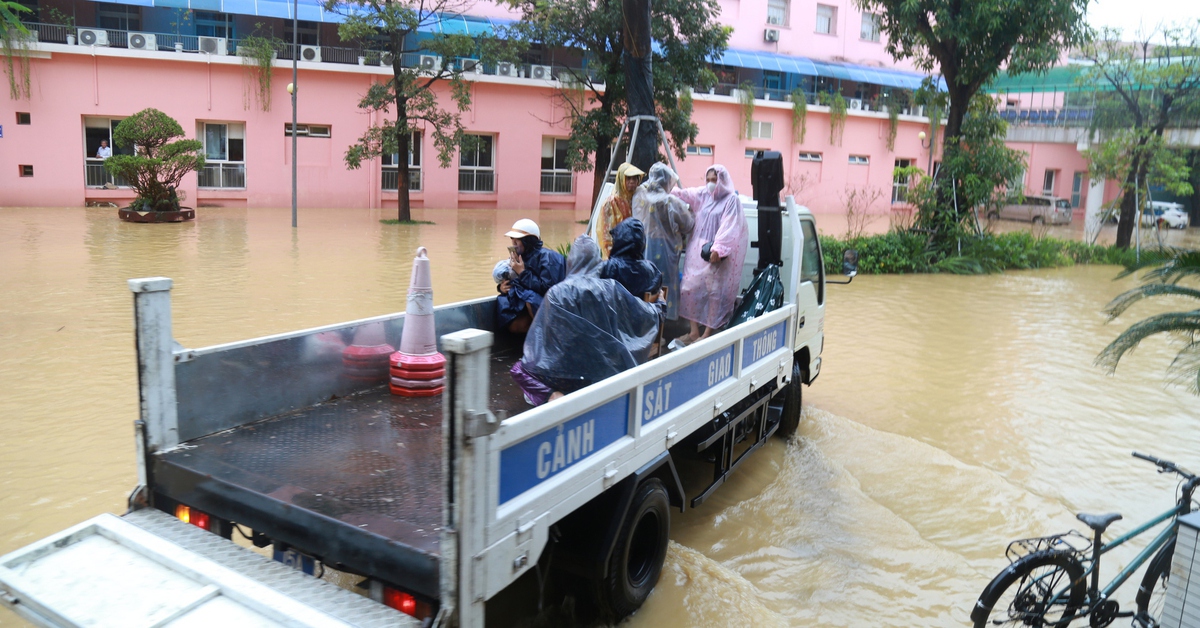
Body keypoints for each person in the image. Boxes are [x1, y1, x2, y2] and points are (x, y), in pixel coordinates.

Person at [510, 235, 661, 406]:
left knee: (518, 369)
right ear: (598, 262)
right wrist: (659, 304)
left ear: (570, 261)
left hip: (562, 375)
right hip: (602, 371)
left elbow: (543, 339)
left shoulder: (556, 292)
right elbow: (642, 314)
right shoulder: (611, 288)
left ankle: (552, 395)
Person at [671, 165, 749, 346]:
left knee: (713, 293)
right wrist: (665, 188)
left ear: (723, 180)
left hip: (714, 255)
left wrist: (719, 248)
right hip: (696, 252)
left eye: (714, 180)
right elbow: (684, 194)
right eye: (708, 180)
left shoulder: (731, 200)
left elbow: (730, 225)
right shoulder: (703, 195)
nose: (711, 183)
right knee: (689, 288)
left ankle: (707, 332)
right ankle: (693, 331)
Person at [632, 163, 694, 320]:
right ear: (667, 181)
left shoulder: (640, 196)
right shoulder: (671, 202)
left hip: (645, 248)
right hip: (666, 252)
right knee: (664, 286)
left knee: (647, 285)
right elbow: (688, 224)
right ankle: (663, 322)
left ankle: (646, 320)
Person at [495, 219, 566, 335]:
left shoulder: (548, 257)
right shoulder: (520, 257)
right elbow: (515, 282)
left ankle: (548, 336)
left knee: (530, 299)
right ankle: (536, 336)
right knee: (514, 325)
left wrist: (523, 273)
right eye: (512, 239)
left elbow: (548, 288)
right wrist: (502, 287)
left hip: (553, 306)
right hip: (534, 308)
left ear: (528, 240)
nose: (514, 243)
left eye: (518, 239)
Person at [599, 218, 663, 302]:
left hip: (612, 310)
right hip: (642, 311)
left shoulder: (607, 268)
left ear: (619, 240)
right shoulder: (652, 270)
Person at [597, 162, 644, 258]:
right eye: (628, 178)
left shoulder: (638, 200)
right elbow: (606, 235)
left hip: (635, 255)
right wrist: (612, 256)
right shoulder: (611, 203)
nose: (632, 182)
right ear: (621, 179)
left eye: (635, 178)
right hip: (617, 255)